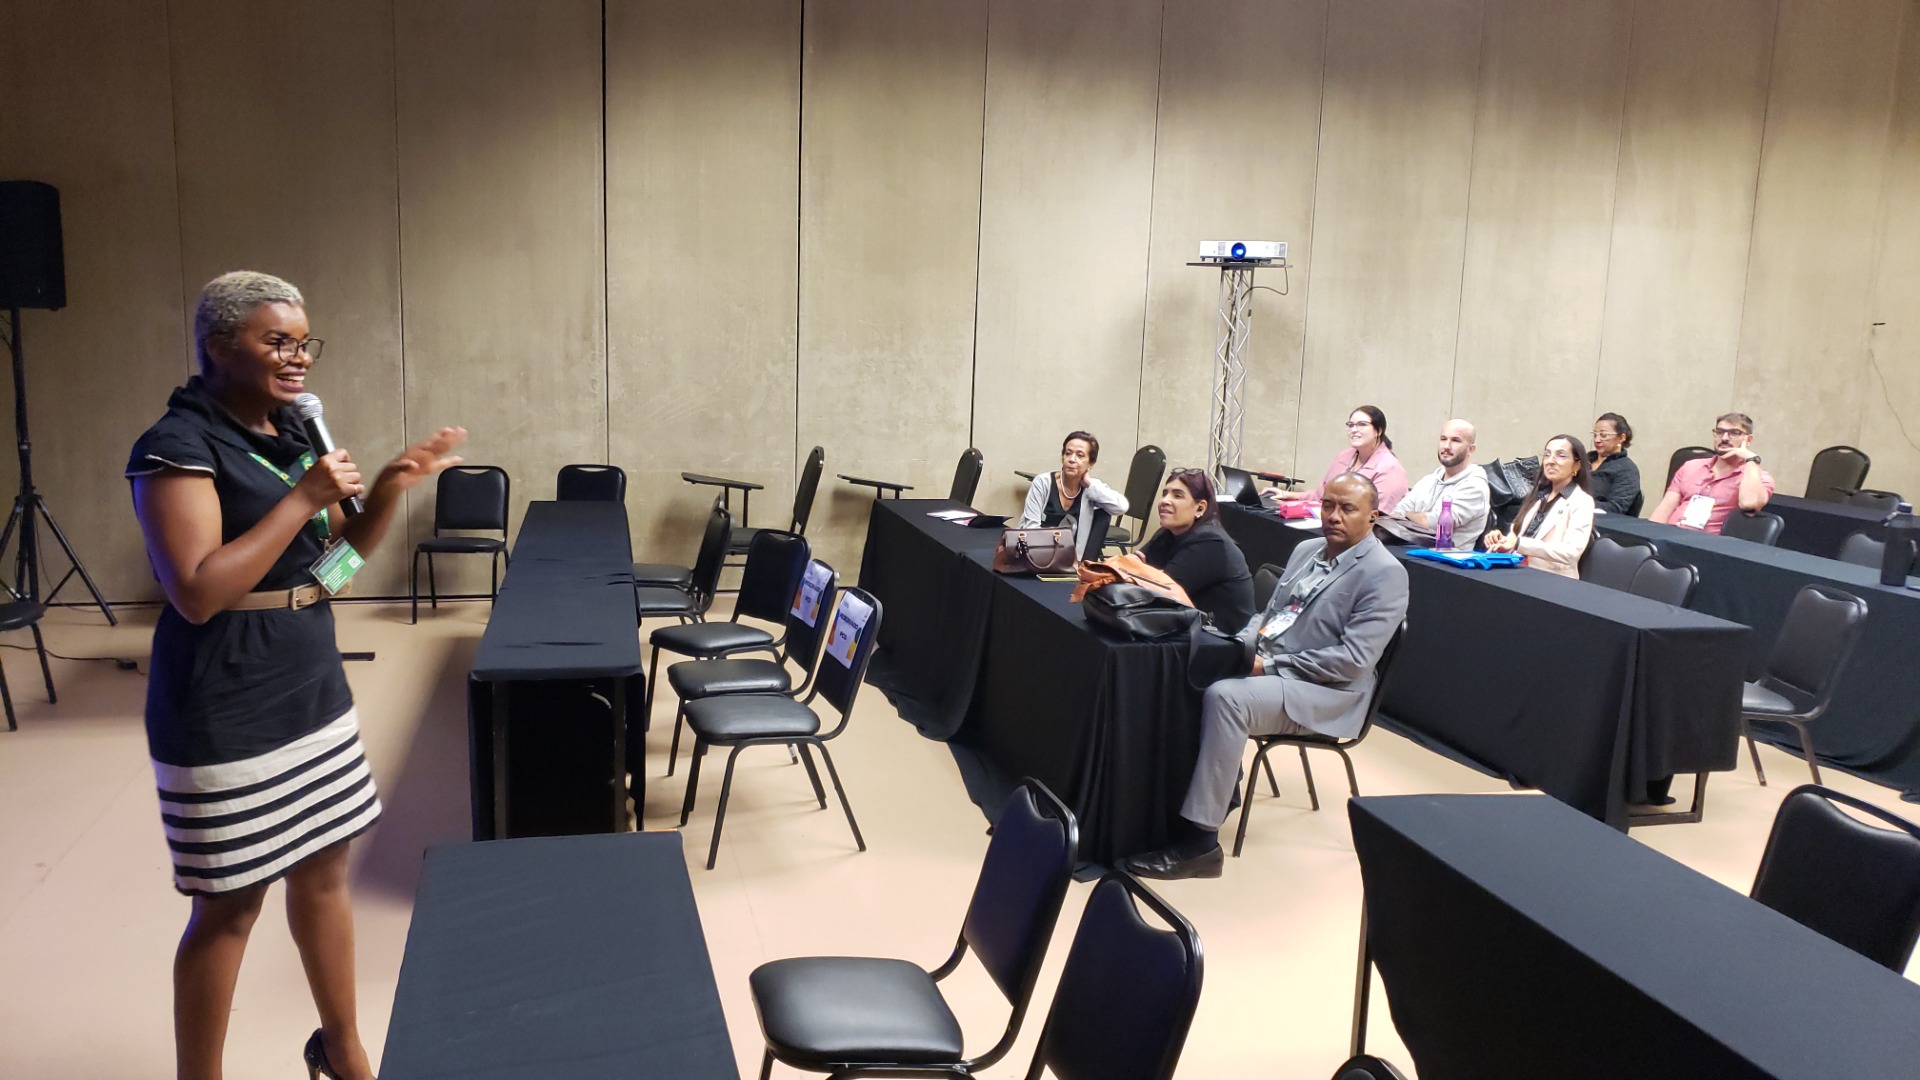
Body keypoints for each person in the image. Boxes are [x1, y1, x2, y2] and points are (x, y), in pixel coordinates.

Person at [128, 272, 467, 1080]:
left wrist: (385, 491)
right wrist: (302, 496)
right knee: (230, 906)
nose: (298, 357)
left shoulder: (292, 431)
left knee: (322, 874)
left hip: (309, 681)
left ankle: (342, 1048)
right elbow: (197, 593)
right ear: (220, 347)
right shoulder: (177, 445)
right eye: (276, 341)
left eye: (303, 342)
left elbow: (336, 569)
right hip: (221, 699)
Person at [1122, 473, 1408, 880]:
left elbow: (1352, 662)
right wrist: (1239, 647)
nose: (1333, 516)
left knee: (1227, 698)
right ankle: (1176, 803)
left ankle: (1200, 845)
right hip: (1269, 664)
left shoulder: (1385, 573)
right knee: (1181, 672)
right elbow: (1267, 615)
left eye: (1347, 509)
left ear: (1373, 517)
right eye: (1328, 505)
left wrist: (1265, 666)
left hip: (1327, 691)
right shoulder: (1307, 550)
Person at [1136, 469, 1255, 630]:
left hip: (1221, 637)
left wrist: (1143, 574)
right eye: (1165, 494)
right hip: (1189, 624)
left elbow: (1160, 592)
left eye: (1177, 496)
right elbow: (1130, 566)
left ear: (1200, 508)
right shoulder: (1166, 533)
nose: (1165, 500)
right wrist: (1144, 574)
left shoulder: (1211, 543)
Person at [1484, 434, 1595, 579]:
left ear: (1577, 465)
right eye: (1547, 455)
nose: (1550, 461)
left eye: (1560, 456)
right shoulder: (1539, 495)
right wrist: (1502, 541)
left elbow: (1571, 552)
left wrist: (1518, 543)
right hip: (1519, 571)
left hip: (1552, 579)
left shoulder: (1581, 501)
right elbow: (1517, 536)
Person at [1648, 412, 1775, 534]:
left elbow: (1749, 503)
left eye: (1734, 433)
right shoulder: (1690, 466)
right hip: (1670, 534)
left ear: (1748, 439)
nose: (1724, 438)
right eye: (1720, 432)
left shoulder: (1760, 478)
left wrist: (1751, 460)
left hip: (1707, 543)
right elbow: (1664, 509)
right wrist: (1648, 536)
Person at [1268, 405, 1409, 514]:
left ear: (1378, 431)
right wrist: (1287, 495)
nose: (1354, 430)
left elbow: (1378, 516)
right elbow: (1321, 496)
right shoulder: (1344, 456)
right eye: (1351, 425)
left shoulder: (1391, 468)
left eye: (1362, 424)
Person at [1376, 418, 1489, 550]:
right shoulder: (1430, 479)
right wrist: (1415, 517)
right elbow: (1397, 513)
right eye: (1443, 439)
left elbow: (1436, 523)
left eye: (1455, 440)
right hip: (1412, 549)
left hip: (1447, 558)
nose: (1446, 446)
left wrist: (1408, 516)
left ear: (1471, 449)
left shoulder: (1475, 486)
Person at [1016, 430, 1128, 561]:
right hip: (1035, 555)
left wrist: (1089, 484)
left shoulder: (1091, 487)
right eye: (1068, 453)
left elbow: (1121, 507)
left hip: (1071, 561)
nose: (1072, 459)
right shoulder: (1042, 482)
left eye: (1080, 455)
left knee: (1104, 513)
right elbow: (1031, 529)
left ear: (1090, 463)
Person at [1588, 412, 1641, 515]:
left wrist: (1580, 503)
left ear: (1621, 438)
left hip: (1600, 520)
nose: (1597, 440)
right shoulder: (1585, 459)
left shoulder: (1627, 469)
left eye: (1603, 435)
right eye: (1595, 435)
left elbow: (1616, 507)